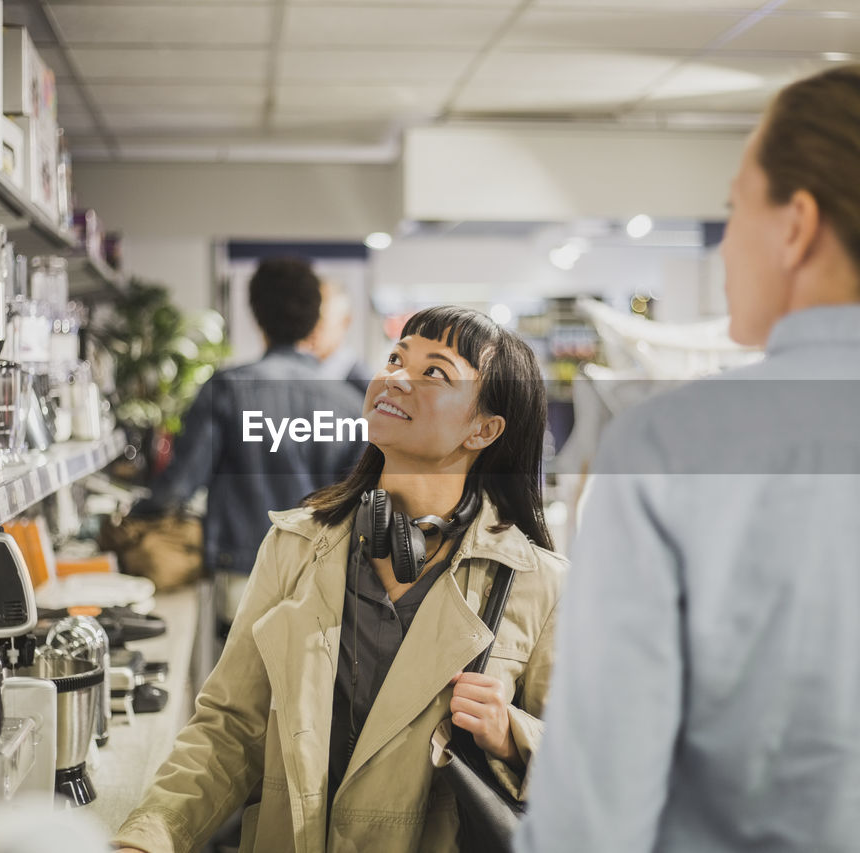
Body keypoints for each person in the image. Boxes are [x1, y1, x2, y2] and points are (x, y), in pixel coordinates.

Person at [518, 64, 860, 852]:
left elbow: (592, 822)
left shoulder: (670, 450)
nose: (727, 241)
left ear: (797, 224)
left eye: (734, 207)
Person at [114, 305, 566, 853]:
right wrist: (149, 836)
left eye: (434, 372)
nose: (396, 376)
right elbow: (229, 730)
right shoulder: (297, 544)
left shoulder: (537, 582)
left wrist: (511, 735)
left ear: (484, 428)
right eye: (396, 357)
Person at [131, 257, 365, 625]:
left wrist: (134, 516)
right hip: (324, 573)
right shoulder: (352, 404)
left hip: (245, 567)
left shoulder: (228, 389)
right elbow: (359, 498)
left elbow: (180, 484)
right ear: (314, 318)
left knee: (244, 678)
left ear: (257, 315)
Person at [308, 278, 373, 394]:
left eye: (320, 321)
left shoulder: (364, 385)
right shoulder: (303, 372)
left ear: (345, 321)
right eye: (308, 320)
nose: (312, 330)